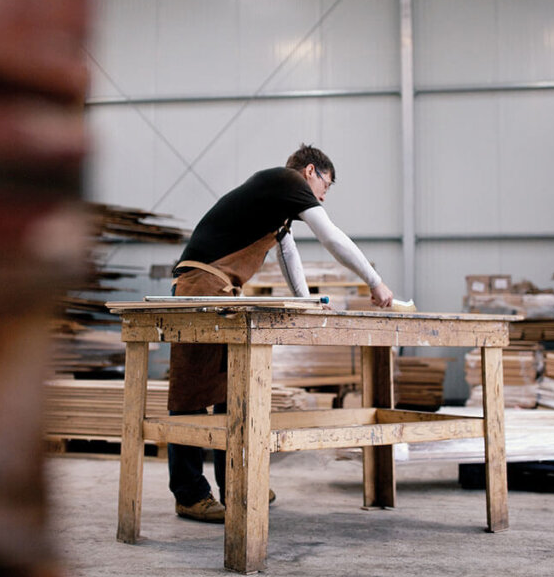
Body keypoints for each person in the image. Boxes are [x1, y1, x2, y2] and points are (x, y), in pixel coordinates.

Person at [168, 143, 394, 522]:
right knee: (191, 394)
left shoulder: (277, 203)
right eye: (327, 185)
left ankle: (237, 483)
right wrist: (375, 281)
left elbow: (287, 254)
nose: (324, 195)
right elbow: (331, 237)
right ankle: (190, 495)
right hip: (199, 288)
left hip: (222, 292)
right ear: (310, 172)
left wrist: (305, 302)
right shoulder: (284, 181)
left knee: (230, 393)